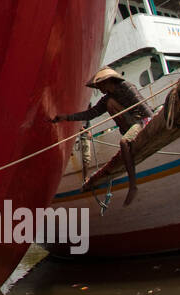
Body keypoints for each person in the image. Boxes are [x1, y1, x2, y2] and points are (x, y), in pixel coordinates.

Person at [51, 67, 152, 206]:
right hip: (129, 126)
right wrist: (66, 117)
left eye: (100, 85)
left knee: (124, 142)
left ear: (107, 81)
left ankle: (133, 185)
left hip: (140, 122)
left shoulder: (126, 87)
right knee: (111, 105)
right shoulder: (107, 99)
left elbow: (143, 106)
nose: (99, 88)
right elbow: (90, 114)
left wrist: (151, 124)